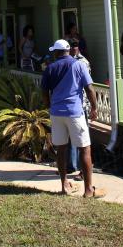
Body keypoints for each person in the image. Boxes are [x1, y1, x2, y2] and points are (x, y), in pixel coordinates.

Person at [41, 39, 103, 198]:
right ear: (68, 51)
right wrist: (95, 108)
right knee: (85, 148)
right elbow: (89, 88)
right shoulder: (79, 65)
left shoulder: (50, 68)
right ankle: (89, 190)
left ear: (56, 52)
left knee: (61, 149)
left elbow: (44, 92)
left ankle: (64, 185)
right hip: (75, 112)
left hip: (56, 113)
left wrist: (49, 106)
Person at [67, 39, 92, 179]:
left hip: (81, 105)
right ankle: (71, 165)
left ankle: (84, 171)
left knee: (83, 139)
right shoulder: (68, 61)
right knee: (70, 137)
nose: (73, 49)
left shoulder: (82, 62)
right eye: (71, 46)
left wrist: (93, 107)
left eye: (75, 46)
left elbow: (87, 86)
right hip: (71, 105)